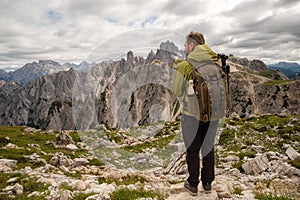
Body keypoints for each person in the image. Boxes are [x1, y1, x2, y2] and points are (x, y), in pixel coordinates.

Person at [173, 31, 221, 196]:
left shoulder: (186, 65)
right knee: (208, 147)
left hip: (192, 115)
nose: (184, 48)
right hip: (214, 113)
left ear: (192, 45)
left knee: (193, 149)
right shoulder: (216, 61)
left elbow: (176, 90)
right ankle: (208, 183)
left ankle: (193, 184)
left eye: (186, 45)